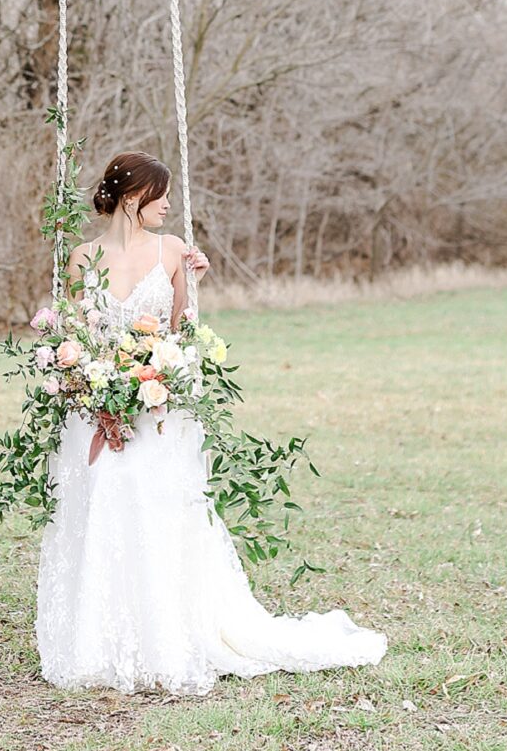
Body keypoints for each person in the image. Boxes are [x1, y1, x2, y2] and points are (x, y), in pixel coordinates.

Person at [35, 150, 389, 696]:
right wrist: (93, 380)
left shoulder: (172, 249)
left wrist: (192, 287)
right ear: (133, 197)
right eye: (162, 196)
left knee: (155, 509)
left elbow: (180, 330)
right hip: (100, 405)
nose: (170, 206)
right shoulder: (83, 255)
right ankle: (101, 640)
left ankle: (166, 635)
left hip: (157, 403)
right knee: (104, 501)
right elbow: (81, 334)